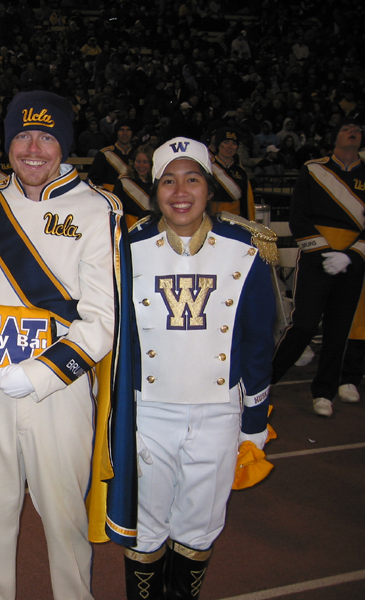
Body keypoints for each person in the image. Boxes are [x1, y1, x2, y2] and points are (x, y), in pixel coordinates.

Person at [0, 91, 135, 600]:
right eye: (22, 136)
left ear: (65, 146)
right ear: (7, 143)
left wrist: (34, 376)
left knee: (64, 524)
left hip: (59, 390)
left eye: (47, 137)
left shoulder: (99, 208)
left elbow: (102, 319)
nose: (33, 148)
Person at [124, 137, 276, 600]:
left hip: (218, 413)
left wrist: (254, 423)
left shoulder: (247, 246)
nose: (180, 191)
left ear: (209, 188)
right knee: (145, 525)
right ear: (155, 191)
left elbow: (256, 343)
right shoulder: (126, 247)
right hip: (147, 411)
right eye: (168, 181)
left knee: (200, 525)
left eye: (192, 179)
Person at [271, 120, 365, 416]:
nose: (353, 132)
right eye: (346, 128)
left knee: (340, 329)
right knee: (306, 324)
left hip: (354, 259)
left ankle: (324, 392)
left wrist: (351, 255)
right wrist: (325, 252)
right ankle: (266, 379)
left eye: (358, 129)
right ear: (334, 136)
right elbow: (298, 215)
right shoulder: (313, 169)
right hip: (316, 256)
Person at [210, 128, 256, 221]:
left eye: (234, 143)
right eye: (226, 142)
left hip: (236, 220)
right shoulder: (208, 169)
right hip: (211, 220)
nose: (230, 147)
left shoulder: (241, 172)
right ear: (218, 145)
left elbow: (247, 202)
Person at [112, 143, 155, 225]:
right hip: (131, 229)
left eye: (145, 162)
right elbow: (116, 211)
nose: (141, 165)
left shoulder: (158, 182)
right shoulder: (123, 182)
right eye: (138, 161)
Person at [88, 118, 135, 191]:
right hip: (110, 196)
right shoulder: (104, 154)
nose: (125, 133)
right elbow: (93, 181)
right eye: (121, 130)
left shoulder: (137, 154)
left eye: (128, 130)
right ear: (117, 132)